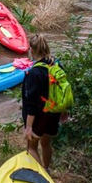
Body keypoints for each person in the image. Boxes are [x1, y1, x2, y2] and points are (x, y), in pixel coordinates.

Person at [22, 34, 61, 173]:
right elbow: (62, 89)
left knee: (31, 147)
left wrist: (28, 126)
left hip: (39, 115)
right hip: (54, 112)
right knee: (46, 143)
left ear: (31, 50)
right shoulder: (56, 64)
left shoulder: (35, 72)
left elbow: (31, 103)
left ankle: (43, 177)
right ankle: (47, 168)